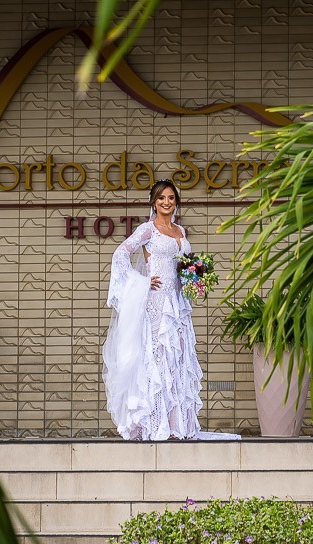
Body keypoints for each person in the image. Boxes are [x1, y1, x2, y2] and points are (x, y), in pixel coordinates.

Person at [102, 179, 203, 440]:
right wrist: (141, 282)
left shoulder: (180, 230)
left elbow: (183, 263)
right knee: (158, 358)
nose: (166, 202)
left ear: (176, 201)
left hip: (178, 303)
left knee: (178, 358)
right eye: (161, 198)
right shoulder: (148, 229)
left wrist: (195, 277)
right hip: (157, 302)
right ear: (154, 202)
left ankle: (176, 425)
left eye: (171, 198)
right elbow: (120, 254)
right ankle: (156, 424)